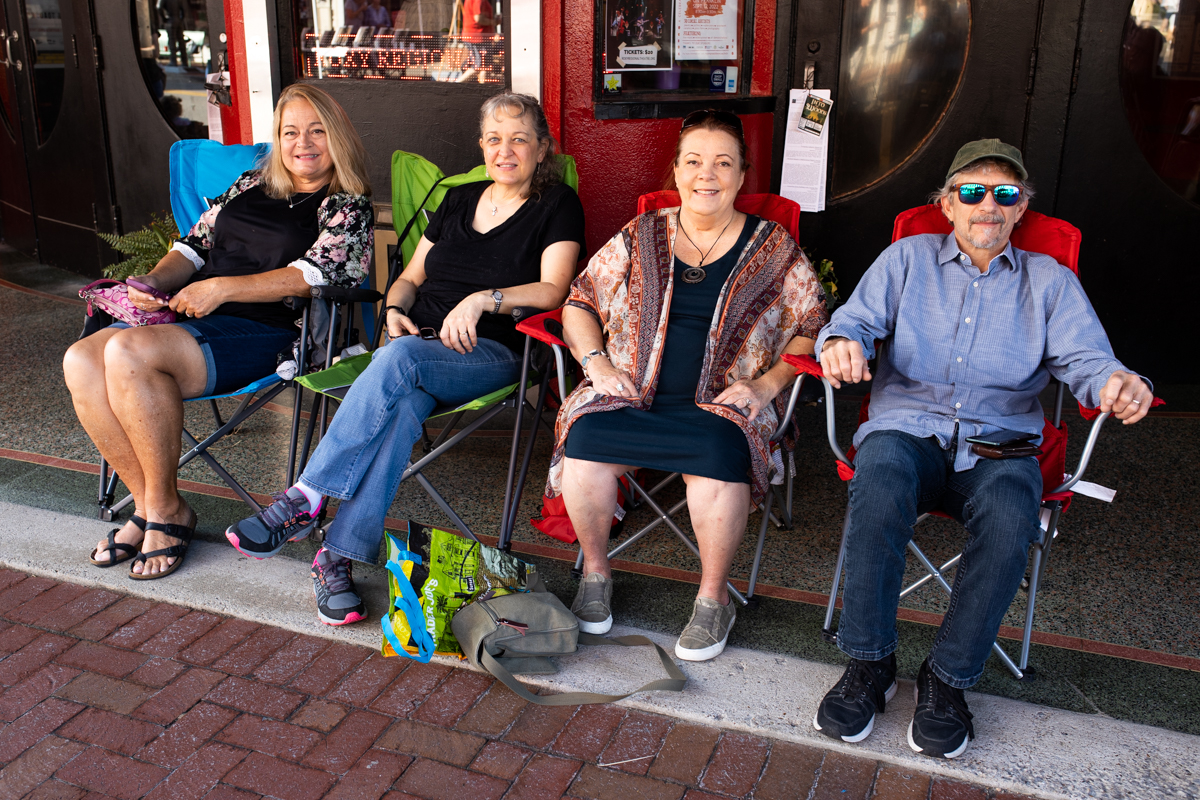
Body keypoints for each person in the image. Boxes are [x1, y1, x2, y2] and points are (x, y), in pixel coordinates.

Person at [811, 139, 1153, 759]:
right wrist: (840, 342)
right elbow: (852, 322)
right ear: (946, 205)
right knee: (879, 478)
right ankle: (869, 665)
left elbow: (1088, 360)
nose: (987, 205)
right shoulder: (905, 259)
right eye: (971, 192)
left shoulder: (1050, 282)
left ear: (1021, 208)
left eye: (1004, 193)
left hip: (1000, 442)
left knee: (1013, 510)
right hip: (907, 429)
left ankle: (947, 679)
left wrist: (1118, 382)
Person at [226, 93, 585, 626]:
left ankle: (306, 494)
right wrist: (394, 309)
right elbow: (411, 278)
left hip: (493, 352)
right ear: (481, 145)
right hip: (416, 350)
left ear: (541, 148)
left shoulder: (556, 204)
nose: (504, 150)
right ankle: (337, 558)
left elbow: (553, 288)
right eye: (494, 139)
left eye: (518, 139)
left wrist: (483, 300)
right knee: (399, 409)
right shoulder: (458, 200)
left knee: (401, 361)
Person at [545, 110, 829, 662]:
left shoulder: (773, 246)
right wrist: (597, 364)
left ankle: (712, 599)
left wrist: (766, 386)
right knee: (584, 443)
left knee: (718, 454)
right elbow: (580, 300)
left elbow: (812, 323)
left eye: (723, 163)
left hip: (723, 403)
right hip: (630, 392)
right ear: (676, 171)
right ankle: (596, 575)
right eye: (694, 162)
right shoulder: (642, 233)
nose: (707, 175)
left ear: (741, 175)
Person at [64, 84, 373, 580]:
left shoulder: (346, 205)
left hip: (271, 330)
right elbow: (193, 246)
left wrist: (222, 289)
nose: (303, 143)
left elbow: (315, 276)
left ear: (337, 137)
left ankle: (166, 513)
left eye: (317, 131)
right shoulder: (252, 183)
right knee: (80, 359)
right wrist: (153, 282)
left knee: (127, 351)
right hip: (196, 316)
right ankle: (149, 506)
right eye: (290, 132)